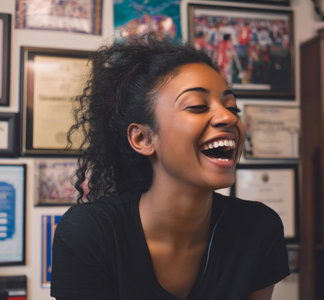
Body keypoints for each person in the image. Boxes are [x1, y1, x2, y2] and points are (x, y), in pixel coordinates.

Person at [50, 36, 289, 300]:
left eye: (232, 107)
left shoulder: (258, 229)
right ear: (143, 139)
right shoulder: (90, 233)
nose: (228, 117)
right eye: (198, 106)